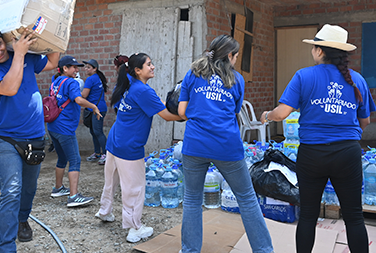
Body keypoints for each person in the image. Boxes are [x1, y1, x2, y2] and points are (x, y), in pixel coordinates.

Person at [260, 24, 375, 253]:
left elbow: (282, 113)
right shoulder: (357, 80)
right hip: (348, 154)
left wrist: (267, 116)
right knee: (353, 217)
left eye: (314, 46)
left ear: (320, 51)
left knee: (309, 216)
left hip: (312, 155)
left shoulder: (304, 76)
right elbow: (365, 122)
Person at [177, 34, 274, 253]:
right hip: (226, 146)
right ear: (229, 56)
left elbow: (182, 112)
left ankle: (189, 251)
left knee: (192, 199)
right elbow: (234, 110)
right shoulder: (237, 79)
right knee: (247, 198)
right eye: (236, 56)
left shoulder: (193, 74)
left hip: (195, 144)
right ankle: (264, 251)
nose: (236, 60)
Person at [0, 24, 60, 252]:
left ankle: (23, 219)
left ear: (4, 40)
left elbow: (51, 62)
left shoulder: (23, 54)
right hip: (5, 139)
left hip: (34, 136)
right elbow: (9, 88)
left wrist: (53, 35)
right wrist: (19, 54)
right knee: (11, 191)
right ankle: (6, 246)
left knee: (29, 189)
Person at [95, 53, 182, 243]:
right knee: (134, 188)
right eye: (148, 65)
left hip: (115, 141)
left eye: (152, 63)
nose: (153, 67)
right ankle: (134, 228)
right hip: (129, 146)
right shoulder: (143, 91)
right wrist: (188, 115)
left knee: (111, 181)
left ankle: (105, 211)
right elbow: (167, 115)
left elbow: (123, 69)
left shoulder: (128, 82)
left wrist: (125, 62)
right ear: (137, 70)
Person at [48, 55, 101, 207]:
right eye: (74, 67)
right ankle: (73, 196)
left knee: (62, 158)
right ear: (65, 68)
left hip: (53, 126)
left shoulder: (55, 80)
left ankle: (58, 188)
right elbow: (78, 100)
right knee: (75, 160)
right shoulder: (71, 82)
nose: (77, 69)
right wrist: (93, 106)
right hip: (65, 128)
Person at [82, 59, 109, 165]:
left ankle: (106, 154)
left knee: (97, 132)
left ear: (95, 69)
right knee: (94, 131)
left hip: (96, 109)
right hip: (99, 108)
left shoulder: (90, 79)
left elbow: (84, 95)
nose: (86, 69)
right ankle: (97, 153)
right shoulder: (98, 77)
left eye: (88, 67)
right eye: (86, 67)